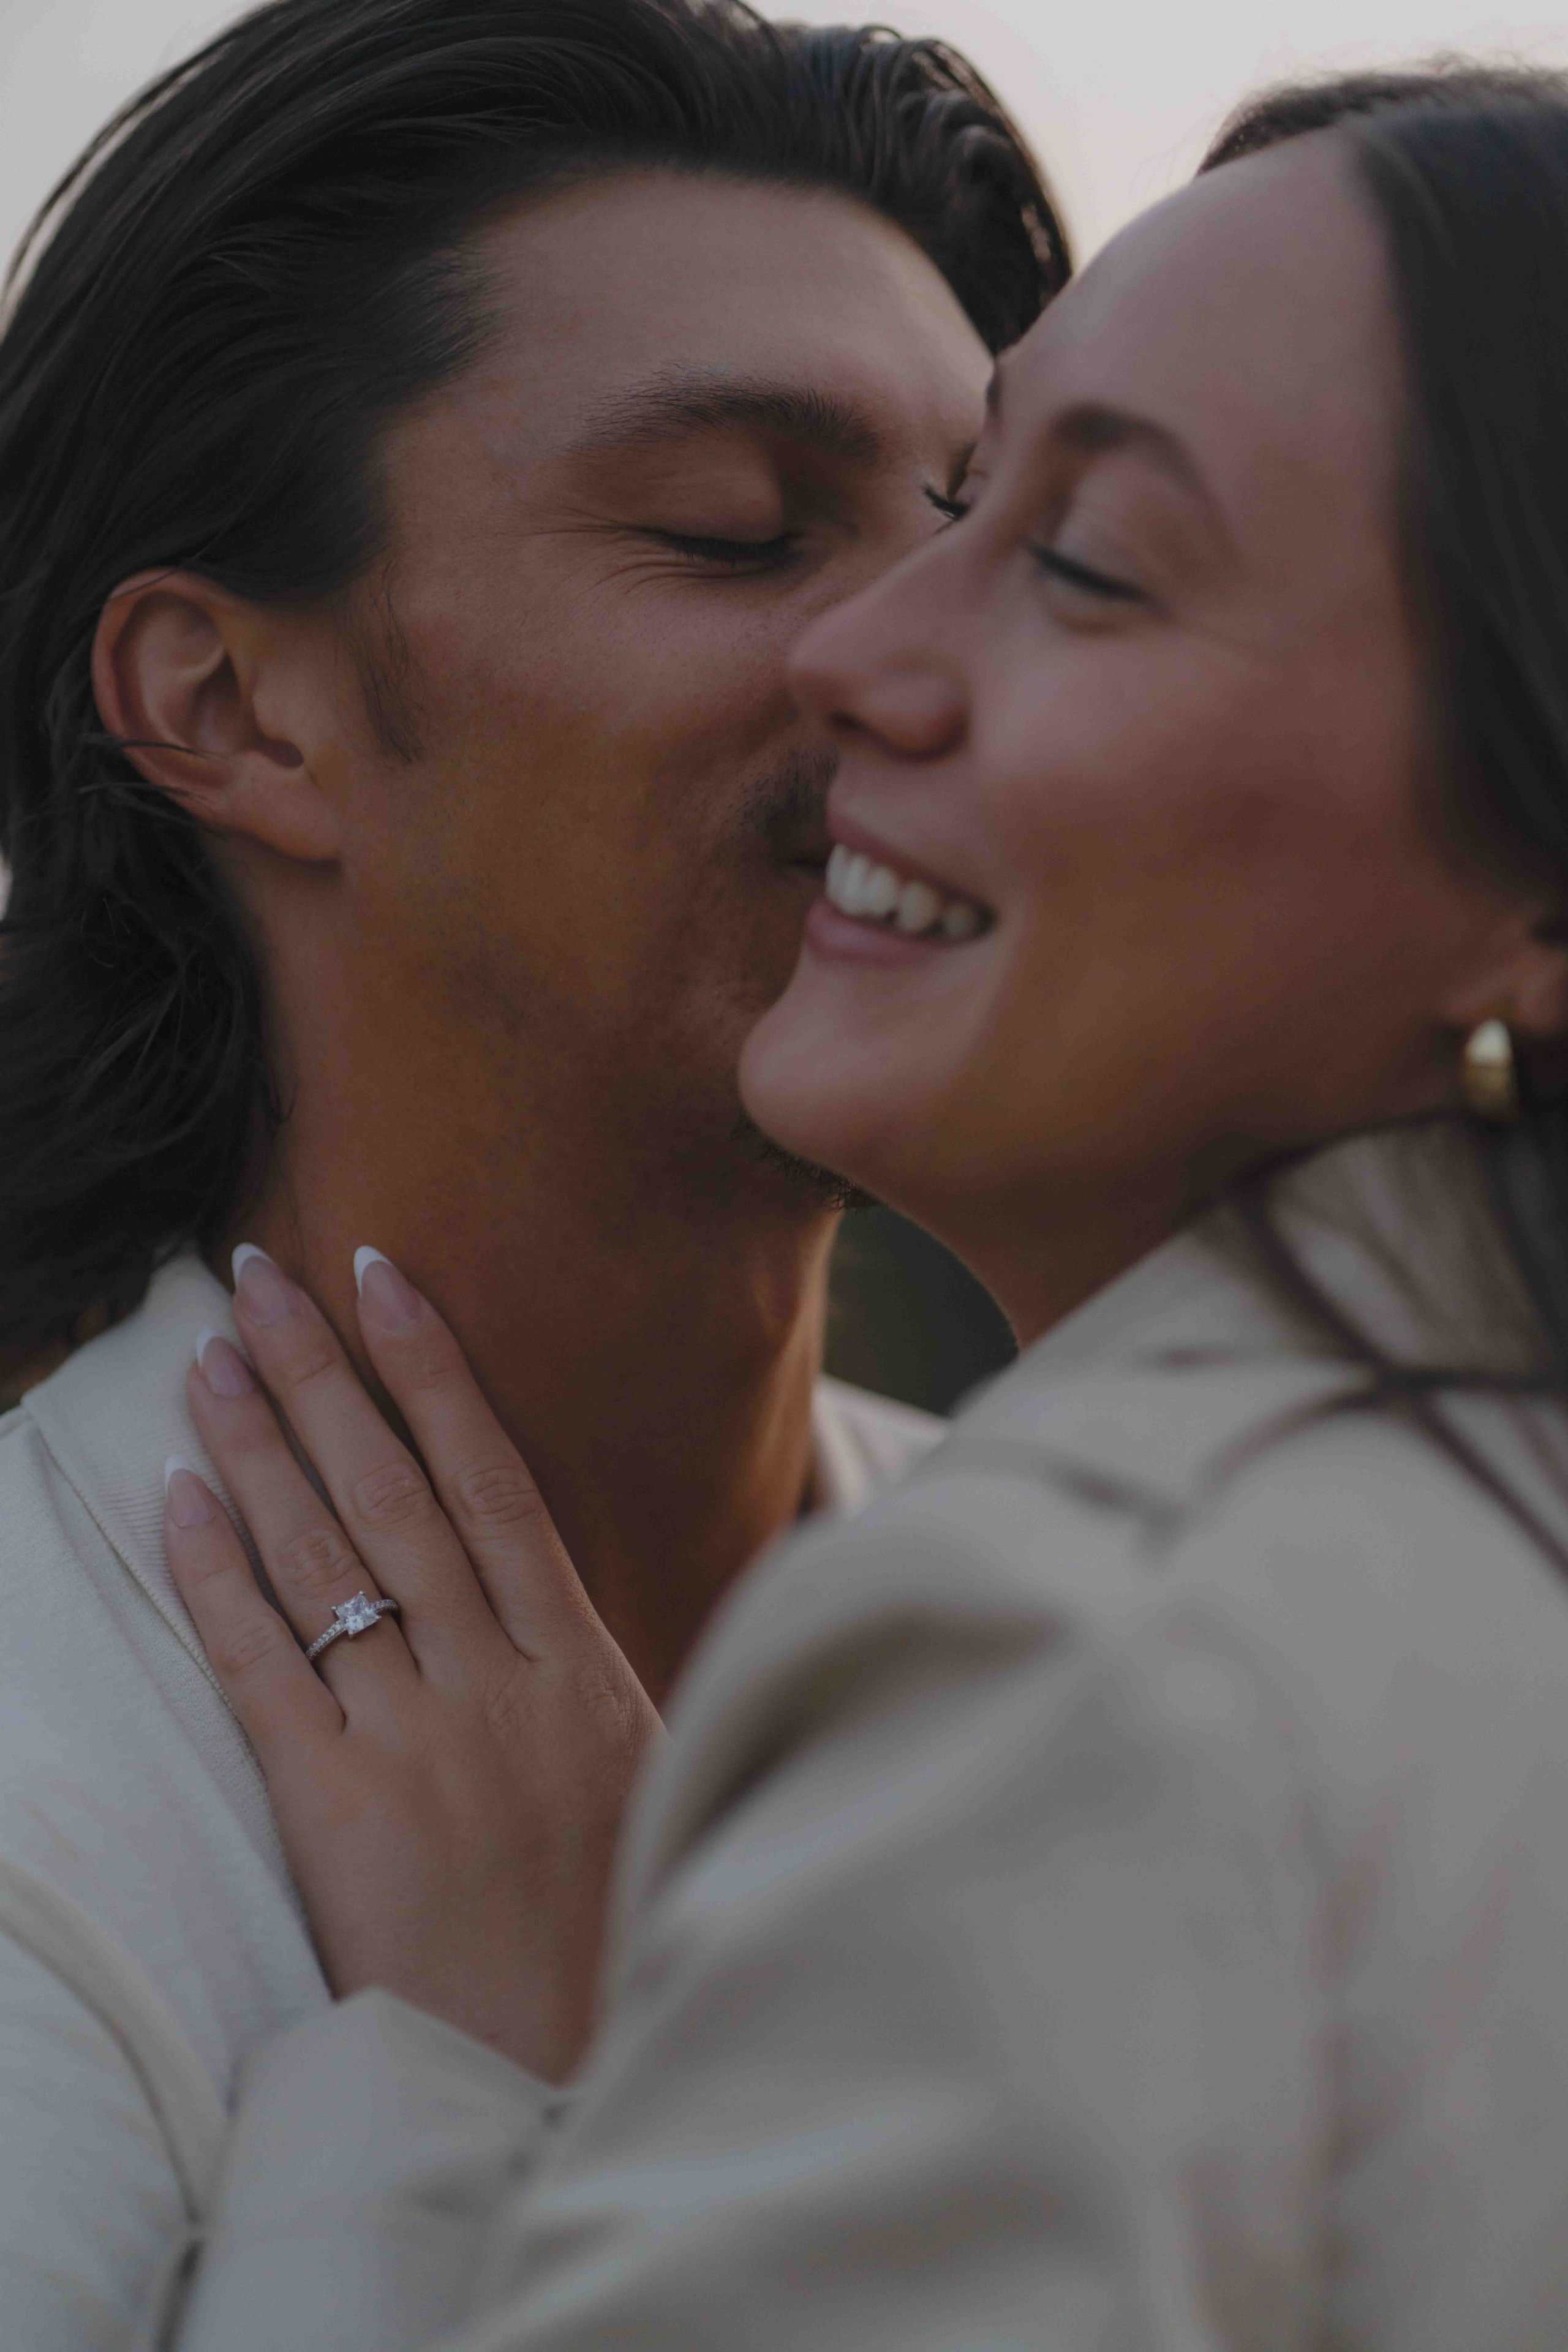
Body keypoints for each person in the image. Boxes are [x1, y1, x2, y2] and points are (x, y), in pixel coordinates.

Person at [156, 60, 1568, 2351]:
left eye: (1082, 562)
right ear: (214, 702)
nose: (861, 650)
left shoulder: (1071, 1653)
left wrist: (471, 2086)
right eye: (739, 527)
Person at [0, 0, 1065, 2337]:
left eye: (1008, 532)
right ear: (224, 706)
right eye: (735, 530)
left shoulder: (1141, 1687)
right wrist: (491, 2105)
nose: (959, 652)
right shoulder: (45, 1783)